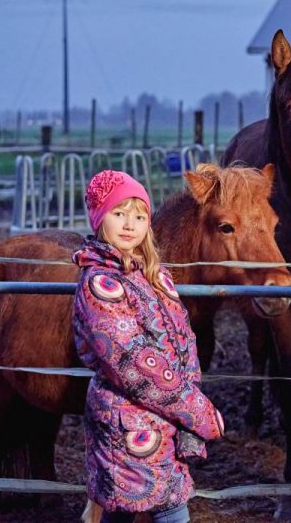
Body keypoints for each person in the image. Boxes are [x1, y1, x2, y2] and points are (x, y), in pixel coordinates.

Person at [73, 170, 223, 523]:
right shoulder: (101, 285)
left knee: (123, 511)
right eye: (119, 213)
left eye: (139, 216)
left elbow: (183, 341)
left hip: (160, 420)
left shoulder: (154, 274)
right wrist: (195, 410)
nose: (130, 224)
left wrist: (186, 404)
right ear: (99, 219)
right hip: (127, 423)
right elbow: (133, 361)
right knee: (168, 510)